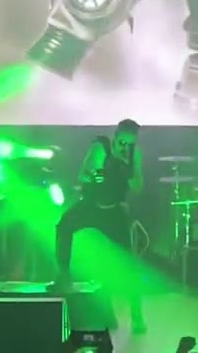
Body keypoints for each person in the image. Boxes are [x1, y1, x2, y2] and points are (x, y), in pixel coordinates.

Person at [51, 119, 146, 333]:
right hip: (91, 205)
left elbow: (138, 187)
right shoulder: (100, 148)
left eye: (130, 144)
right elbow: (83, 176)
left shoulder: (134, 155)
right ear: (115, 137)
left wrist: (128, 170)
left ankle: (137, 315)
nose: (125, 147)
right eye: (122, 142)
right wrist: (99, 173)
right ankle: (64, 275)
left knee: (127, 263)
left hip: (113, 211)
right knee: (64, 226)